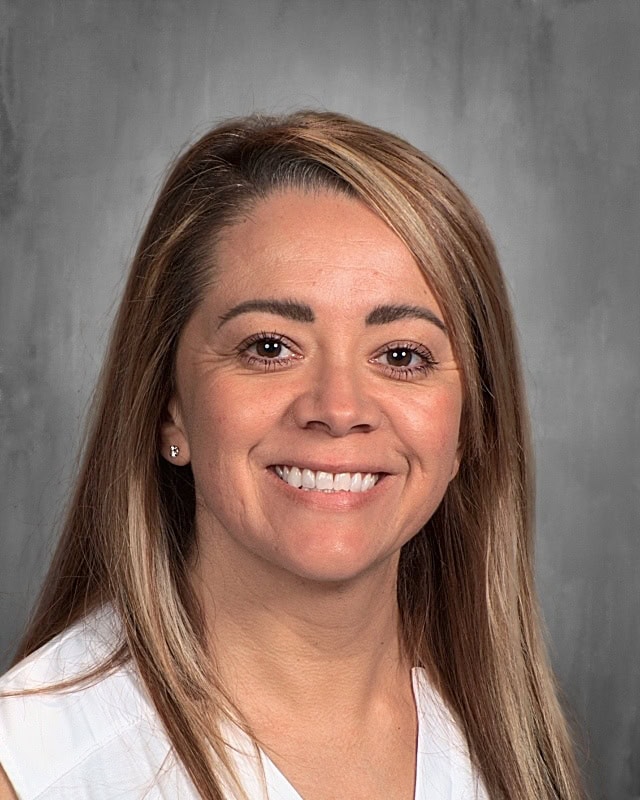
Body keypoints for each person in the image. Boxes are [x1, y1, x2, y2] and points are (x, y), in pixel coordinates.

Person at [0, 111, 585, 800]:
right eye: (270, 347)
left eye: (402, 355)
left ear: (466, 429)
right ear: (169, 406)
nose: (338, 408)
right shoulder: (34, 767)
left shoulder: (503, 748)